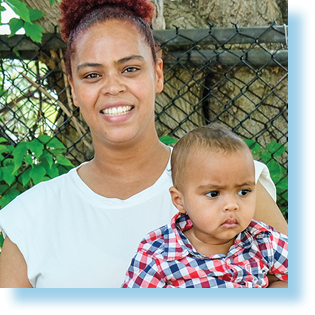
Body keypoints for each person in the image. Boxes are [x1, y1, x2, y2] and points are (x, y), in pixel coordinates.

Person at [0, 0, 288, 288]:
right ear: (73, 89)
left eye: (130, 69)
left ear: (158, 73)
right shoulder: (31, 218)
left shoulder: (233, 184)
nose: (113, 87)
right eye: (92, 75)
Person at [122, 124, 288, 288]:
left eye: (243, 192)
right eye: (213, 194)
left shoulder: (264, 241)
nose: (232, 205)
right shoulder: (158, 256)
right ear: (180, 200)